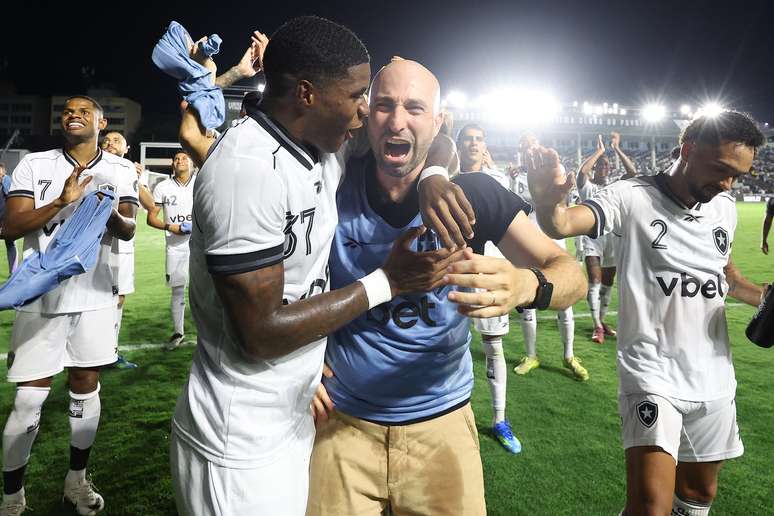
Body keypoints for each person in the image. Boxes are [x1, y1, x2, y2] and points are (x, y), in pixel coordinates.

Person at [170, 17, 472, 516]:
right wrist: (387, 283)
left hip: (297, 415)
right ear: (308, 95)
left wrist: (433, 176)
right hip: (238, 439)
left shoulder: (321, 147)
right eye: (357, 96)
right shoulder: (247, 171)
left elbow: (434, 134)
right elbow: (260, 333)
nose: (365, 113)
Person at [306, 59, 586, 515]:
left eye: (415, 108)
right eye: (384, 106)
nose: (397, 120)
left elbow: (569, 271)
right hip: (341, 425)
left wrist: (524, 284)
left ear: (438, 123)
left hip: (442, 423)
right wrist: (297, 365)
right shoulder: (330, 185)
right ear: (366, 115)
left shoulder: (472, 194)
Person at [525, 110, 766, 516]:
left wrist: (763, 298)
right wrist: (549, 201)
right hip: (651, 372)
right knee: (651, 504)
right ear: (688, 150)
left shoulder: (724, 207)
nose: (727, 184)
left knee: (698, 495)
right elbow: (563, 223)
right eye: (722, 170)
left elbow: (728, 277)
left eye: (737, 177)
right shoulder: (631, 196)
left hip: (713, 374)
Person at [0, 95, 138, 516]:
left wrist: (108, 211)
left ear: (101, 121)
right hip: (41, 293)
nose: (72, 115)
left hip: (95, 294)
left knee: (85, 385)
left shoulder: (118, 170)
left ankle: (76, 480)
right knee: (28, 400)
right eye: (66, 111)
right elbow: (10, 224)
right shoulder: (35, 165)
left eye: (83, 111)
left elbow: (129, 229)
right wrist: (62, 202)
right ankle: (11, 497)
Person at [506, 134, 588, 381]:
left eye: (530, 142)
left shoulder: (555, 168)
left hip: (553, 239)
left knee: (564, 303)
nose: (527, 147)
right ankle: (531, 355)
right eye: (523, 144)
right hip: (527, 241)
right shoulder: (514, 174)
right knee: (527, 301)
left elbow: (563, 205)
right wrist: (511, 180)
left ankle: (569, 355)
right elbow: (511, 208)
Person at [576, 132, 638, 343]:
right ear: (595, 167)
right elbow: (581, 172)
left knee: (607, 284)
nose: (605, 167)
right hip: (593, 240)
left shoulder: (615, 187)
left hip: (612, 240)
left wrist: (617, 149)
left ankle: (602, 321)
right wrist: (600, 151)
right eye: (601, 165)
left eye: (607, 165)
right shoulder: (588, 187)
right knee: (594, 282)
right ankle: (597, 327)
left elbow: (632, 173)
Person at [100, 131, 142, 368]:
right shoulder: (91, 167)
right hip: (96, 243)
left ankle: (111, 352)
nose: (110, 143)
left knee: (119, 297)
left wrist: (140, 178)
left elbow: (145, 204)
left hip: (123, 245)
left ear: (127, 148)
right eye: (106, 140)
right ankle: (97, 352)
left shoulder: (128, 169)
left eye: (116, 140)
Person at [146, 151, 196, 350]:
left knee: (205, 289)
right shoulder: (163, 187)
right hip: (175, 247)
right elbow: (152, 218)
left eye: (184, 158)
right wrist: (170, 227)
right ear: (172, 164)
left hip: (199, 245)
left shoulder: (200, 183)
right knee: (177, 291)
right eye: (176, 158)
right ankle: (178, 332)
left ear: (192, 163)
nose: (180, 161)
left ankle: (211, 330)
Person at [0, 164, 18, 275]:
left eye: (2, 175)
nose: (1, 177)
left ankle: (13, 273)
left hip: (6, 222)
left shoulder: (6, 183)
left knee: (10, 244)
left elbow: (12, 201)